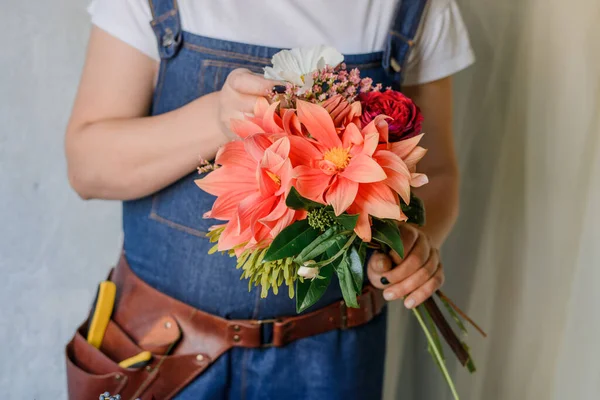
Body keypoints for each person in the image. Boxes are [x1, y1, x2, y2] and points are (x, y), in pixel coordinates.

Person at [65, 0, 474, 398]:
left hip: (332, 363)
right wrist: (215, 120)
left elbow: (435, 173)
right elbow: (87, 168)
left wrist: (413, 242)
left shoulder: (418, 7)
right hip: (160, 354)